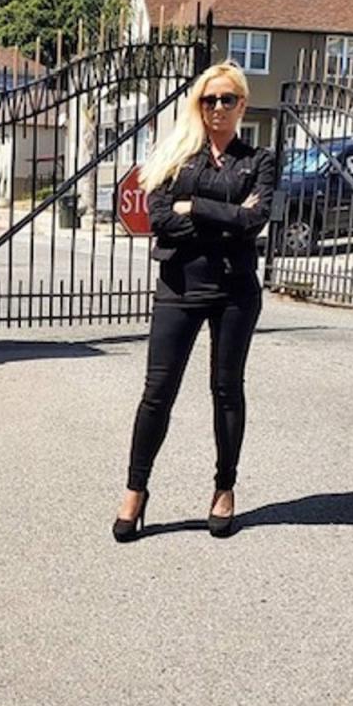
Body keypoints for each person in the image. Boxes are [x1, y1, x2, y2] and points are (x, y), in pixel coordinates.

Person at [113, 61, 275, 542]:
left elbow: (256, 220)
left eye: (227, 99)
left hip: (235, 291)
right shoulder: (176, 156)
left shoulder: (259, 159)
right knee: (156, 393)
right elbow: (161, 218)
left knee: (227, 390)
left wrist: (197, 207)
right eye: (209, 100)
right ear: (198, 105)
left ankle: (225, 488)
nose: (218, 108)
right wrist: (226, 214)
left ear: (242, 104)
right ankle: (135, 491)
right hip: (180, 287)